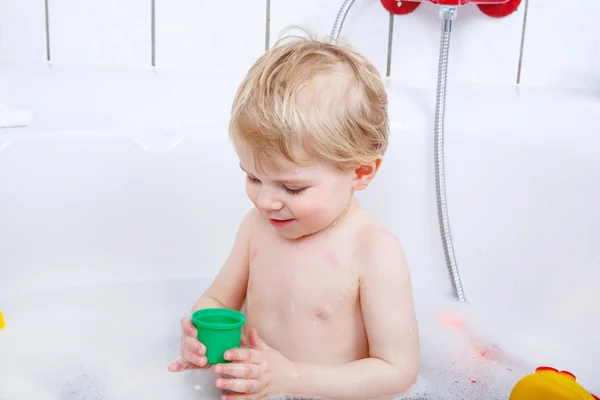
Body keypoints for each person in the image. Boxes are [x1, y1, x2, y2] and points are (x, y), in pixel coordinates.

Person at [168, 29, 420, 400]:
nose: (265, 201)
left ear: (361, 173)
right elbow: (218, 301)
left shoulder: (374, 252)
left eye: (292, 188)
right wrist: (199, 336)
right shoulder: (257, 228)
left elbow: (397, 371)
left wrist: (293, 379)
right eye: (253, 177)